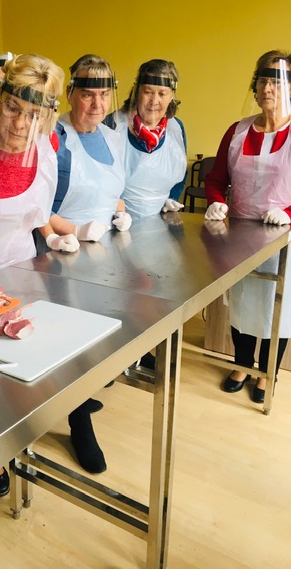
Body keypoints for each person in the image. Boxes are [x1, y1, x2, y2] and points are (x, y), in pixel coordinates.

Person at [0, 53, 73, 496]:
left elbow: (42, 212)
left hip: (21, 274)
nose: (22, 124)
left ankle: (11, 447)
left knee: (13, 374)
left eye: (35, 114)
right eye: (12, 108)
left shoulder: (48, 145)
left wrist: (58, 235)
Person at [49, 54, 131, 474]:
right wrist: (75, 230)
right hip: (63, 255)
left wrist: (120, 211)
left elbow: (113, 189)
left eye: (104, 94)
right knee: (68, 342)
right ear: (70, 94)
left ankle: (80, 393)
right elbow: (35, 204)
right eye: (87, 94)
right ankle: (78, 422)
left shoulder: (114, 137)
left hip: (104, 257)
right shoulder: (55, 136)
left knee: (98, 335)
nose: (97, 104)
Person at [205, 50, 291, 404]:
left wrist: (288, 211)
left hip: (285, 238)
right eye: (263, 80)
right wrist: (216, 201)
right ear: (254, 86)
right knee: (243, 305)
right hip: (240, 236)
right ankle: (242, 364)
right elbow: (216, 179)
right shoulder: (238, 131)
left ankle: (267, 374)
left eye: (277, 81)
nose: (268, 88)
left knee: (279, 309)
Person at [114, 59, 187, 220]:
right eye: (148, 92)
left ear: (171, 96)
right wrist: (117, 212)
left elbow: (181, 173)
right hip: (115, 221)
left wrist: (172, 199)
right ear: (136, 91)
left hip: (159, 223)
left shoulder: (176, 129)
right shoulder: (114, 125)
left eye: (162, 94)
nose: (154, 101)